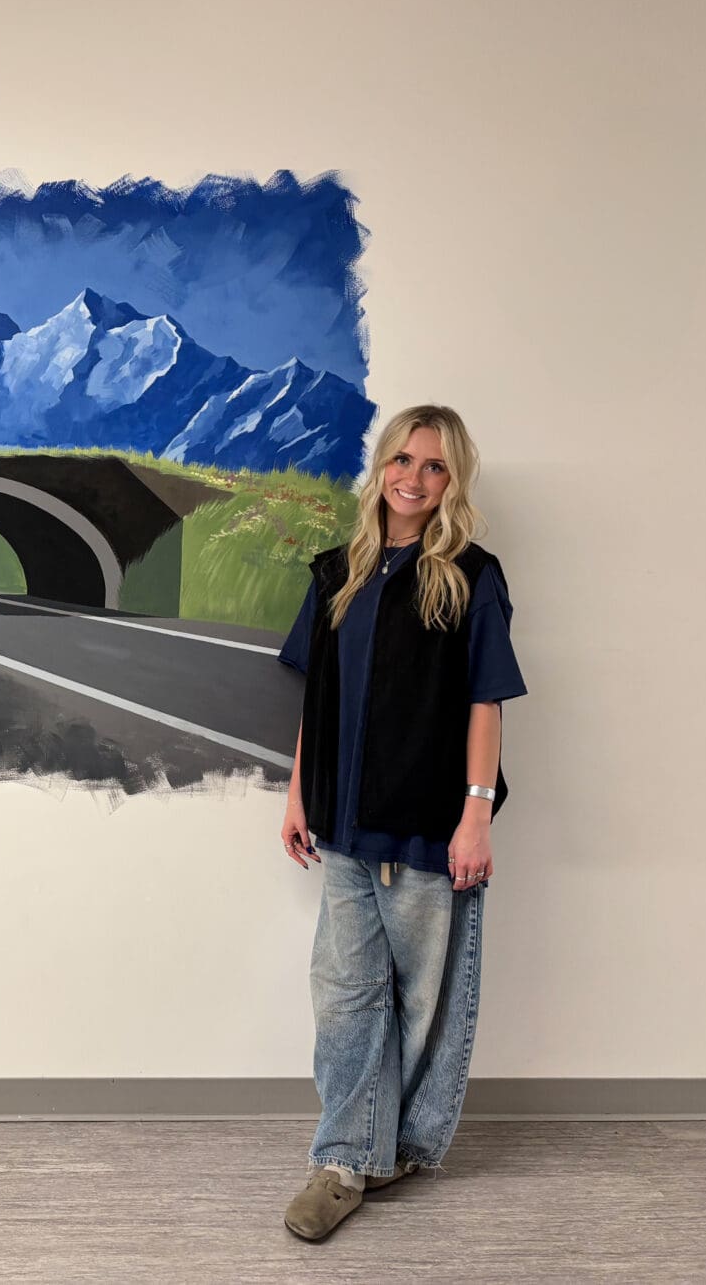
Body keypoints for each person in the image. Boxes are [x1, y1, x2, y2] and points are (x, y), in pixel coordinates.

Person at [274, 404, 527, 1243]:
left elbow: (485, 704)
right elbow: (317, 695)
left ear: (453, 482)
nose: (412, 478)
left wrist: (475, 818)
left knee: (426, 1003)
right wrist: (297, 791)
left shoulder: (470, 575)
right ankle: (344, 1160)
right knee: (344, 998)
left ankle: (404, 1147)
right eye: (402, 459)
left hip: (426, 825)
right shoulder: (335, 570)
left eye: (434, 467)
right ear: (381, 465)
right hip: (343, 825)